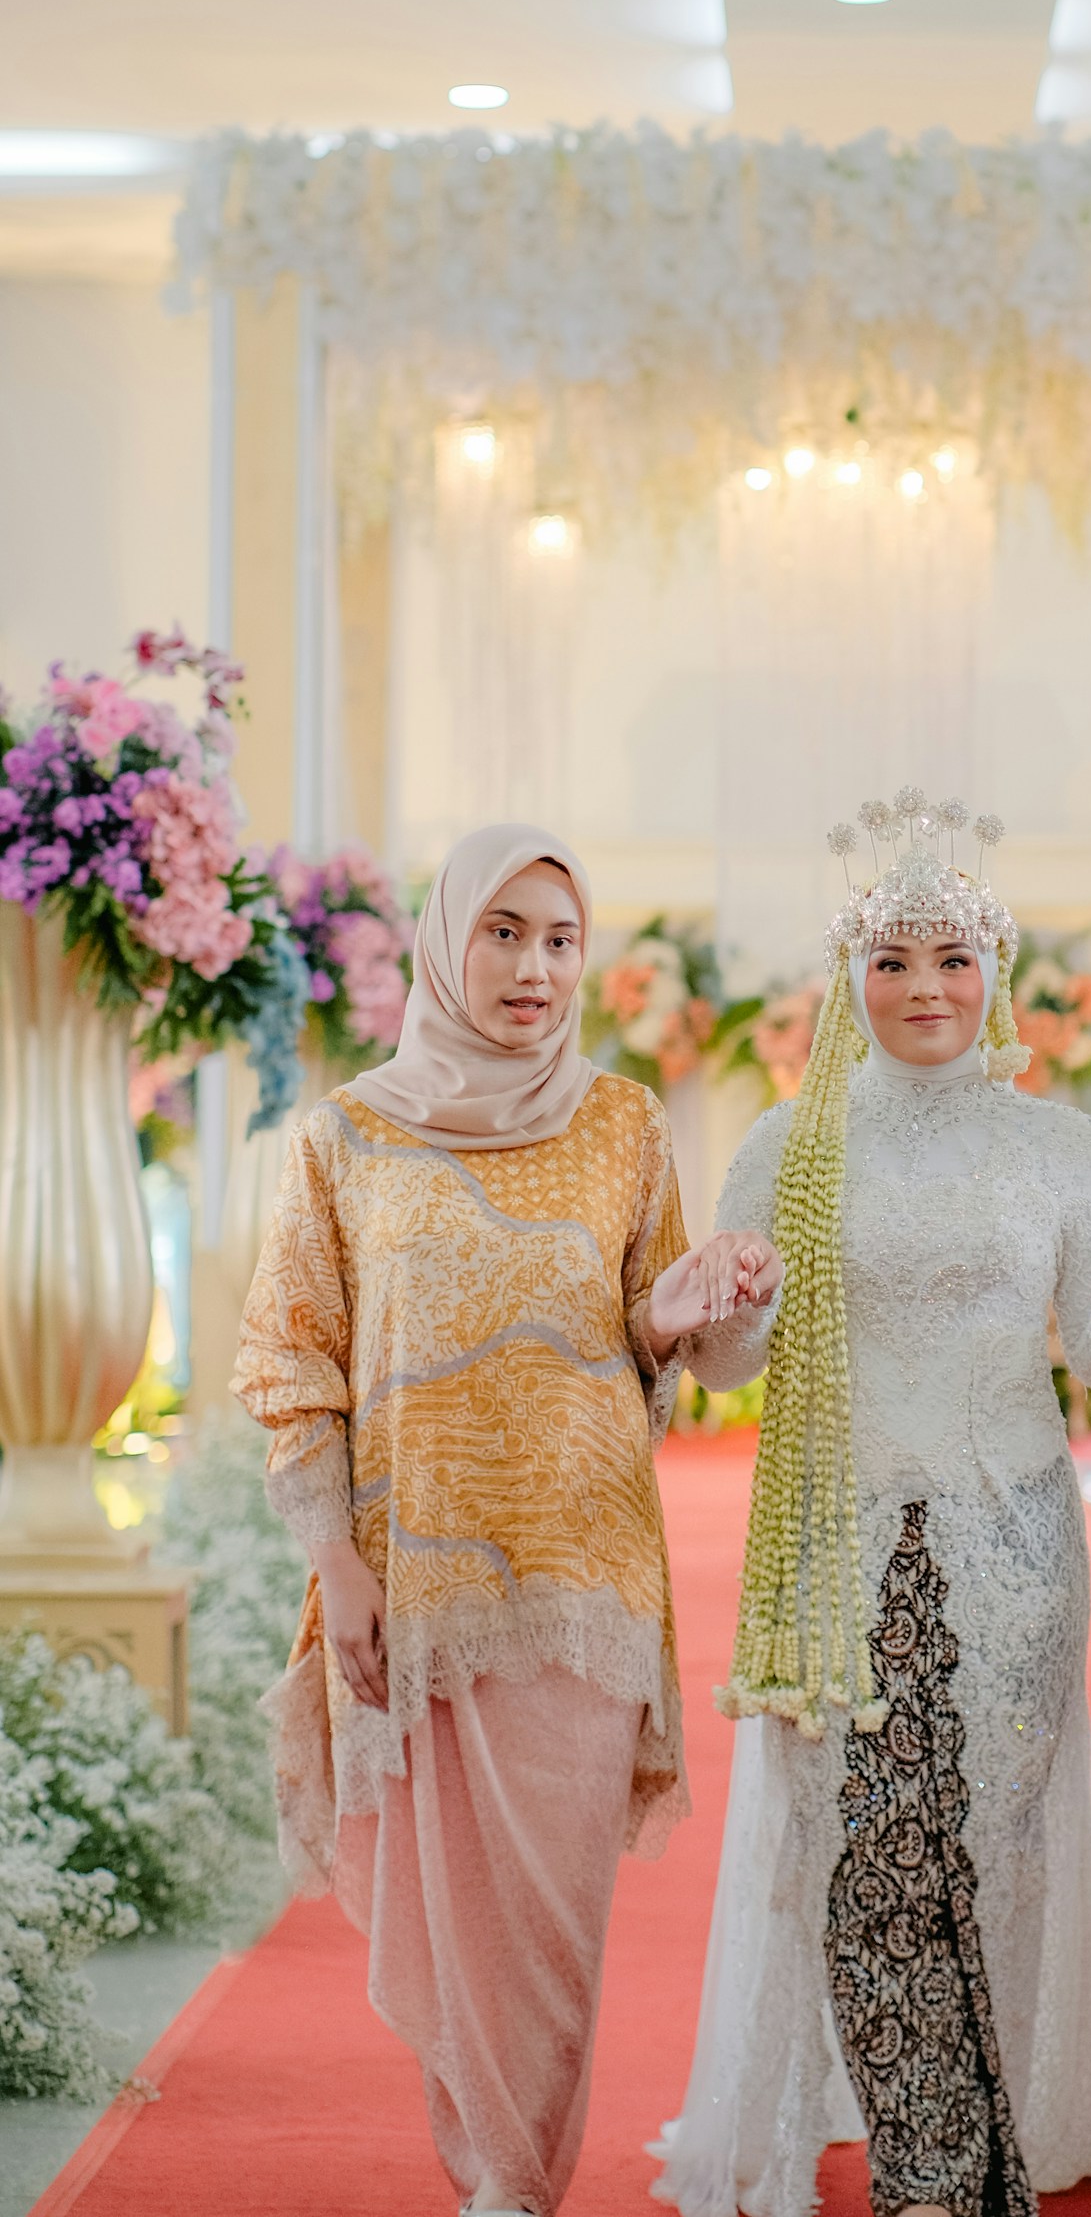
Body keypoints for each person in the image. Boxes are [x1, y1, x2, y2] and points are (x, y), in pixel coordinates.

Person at [235, 825, 781, 2217]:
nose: (534, 965)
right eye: (505, 930)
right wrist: (337, 1565)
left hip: (583, 1573)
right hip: (414, 1582)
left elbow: (658, 1324)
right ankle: (496, 2177)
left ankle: (512, 2184)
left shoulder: (624, 1120)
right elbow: (293, 1359)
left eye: (559, 938)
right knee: (450, 1906)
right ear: (446, 937)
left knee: (549, 1923)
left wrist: (705, 1294)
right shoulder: (345, 1133)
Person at [653, 796, 1091, 2217]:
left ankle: (986, 2110)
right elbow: (730, 1365)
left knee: (993, 1836)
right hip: (835, 1539)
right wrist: (720, 1306)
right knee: (865, 1834)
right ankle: (926, 2154)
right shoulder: (787, 1143)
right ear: (850, 977)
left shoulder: (1066, 1152)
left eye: (952, 955)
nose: (925, 987)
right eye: (892, 959)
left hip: (1011, 1539)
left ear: (995, 970)